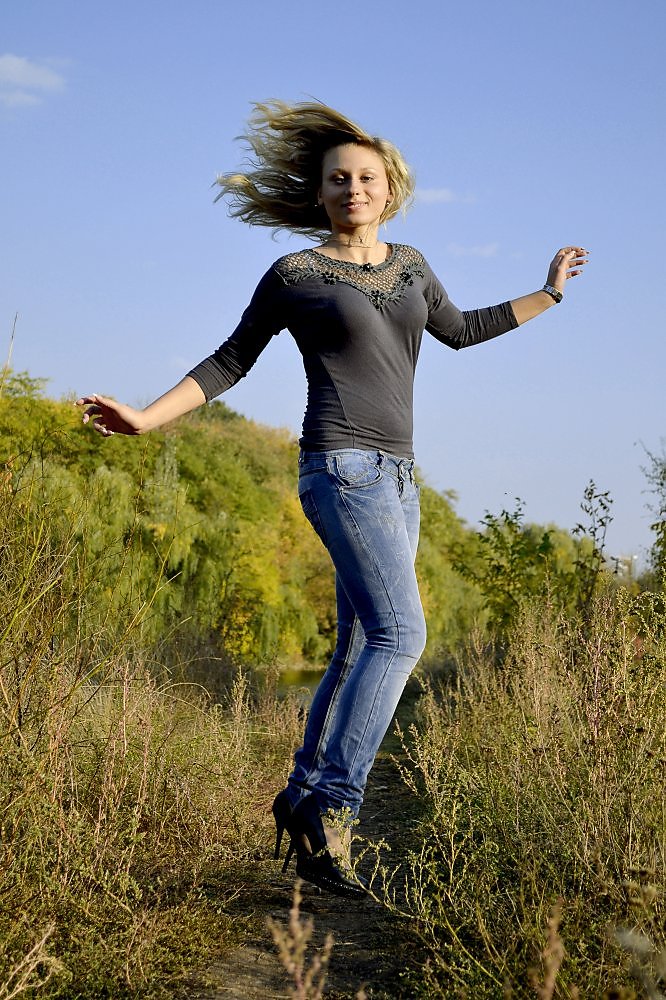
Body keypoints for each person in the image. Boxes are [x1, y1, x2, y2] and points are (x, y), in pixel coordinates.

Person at [78, 100, 588, 899]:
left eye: (367, 178)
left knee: (358, 643)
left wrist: (548, 294)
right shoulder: (297, 275)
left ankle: (302, 793)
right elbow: (229, 361)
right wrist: (145, 418)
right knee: (401, 633)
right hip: (341, 467)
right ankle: (334, 806)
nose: (354, 188)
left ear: (390, 189)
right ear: (319, 193)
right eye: (339, 179)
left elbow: (462, 329)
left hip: (400, 476)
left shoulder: (412, 265)